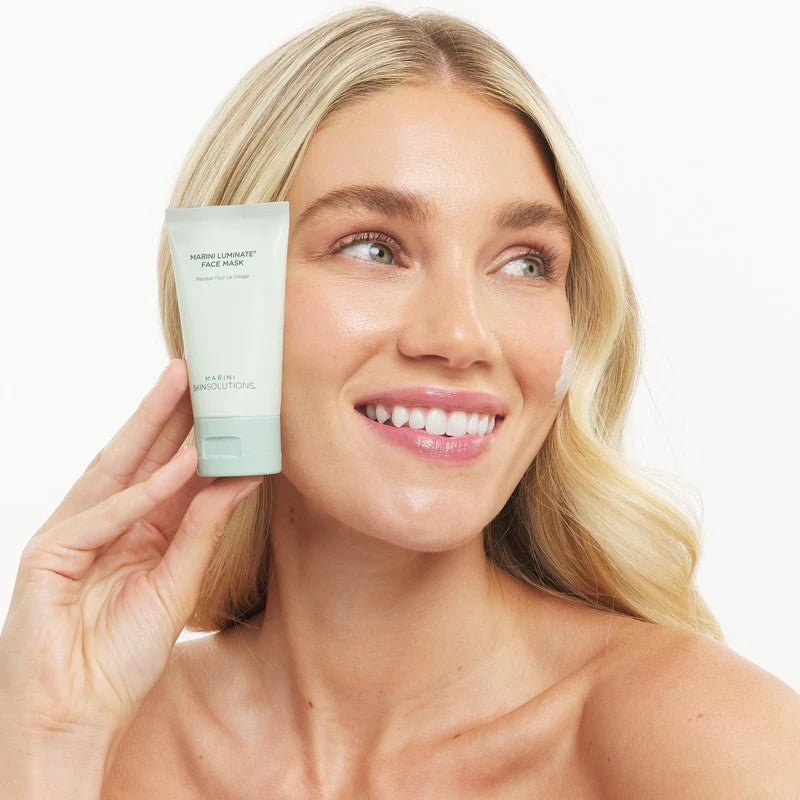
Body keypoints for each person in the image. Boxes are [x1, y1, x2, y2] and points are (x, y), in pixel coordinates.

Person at [2, 6, 799, 798]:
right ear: (227, 295)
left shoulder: (702, 739)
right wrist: (50, 744)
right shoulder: (89, 738)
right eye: (373, 248)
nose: (461, 335)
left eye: (525, 263)